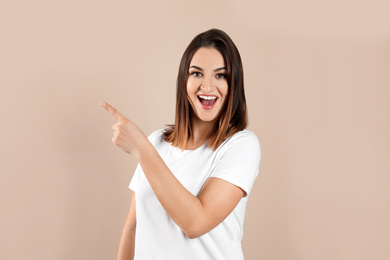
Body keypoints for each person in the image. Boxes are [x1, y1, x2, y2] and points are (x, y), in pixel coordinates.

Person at [101, 28, 261, 260]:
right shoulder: (156, 142)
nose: (207, 87)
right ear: (183, 80)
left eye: (220, 75)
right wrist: (146, 147)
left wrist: (141, 149)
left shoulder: (241, 146)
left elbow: (196, 223)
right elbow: (133, 228)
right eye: (197, 74)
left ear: (233, 84)